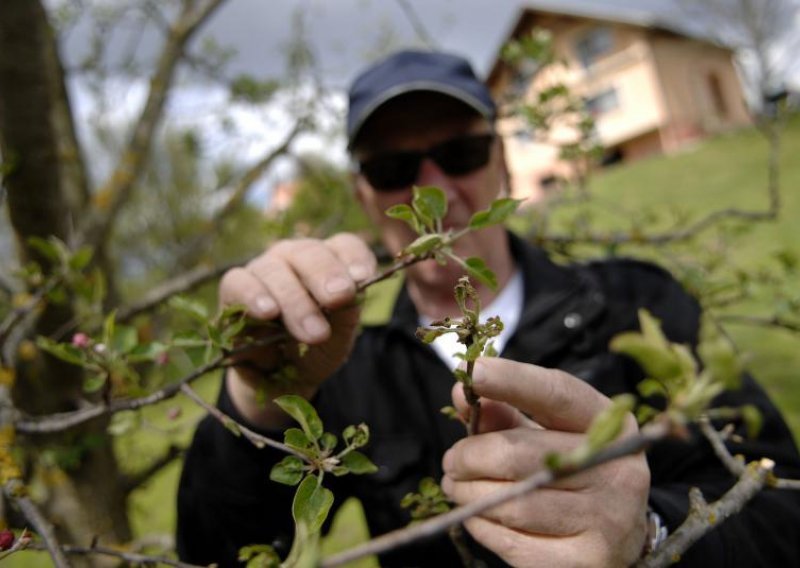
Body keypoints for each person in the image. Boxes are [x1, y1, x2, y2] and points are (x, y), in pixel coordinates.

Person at [176, 50, 800, 567]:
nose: (435, 189)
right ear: (363, 193)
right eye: (394, 167)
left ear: (501, 158)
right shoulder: (345, 370)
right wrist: (258, 395)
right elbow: (217, 554)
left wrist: (647, 535)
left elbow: (782, 511)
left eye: (461, 153)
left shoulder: (635, 304)